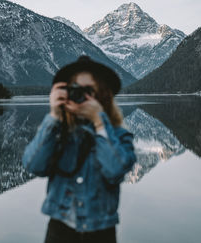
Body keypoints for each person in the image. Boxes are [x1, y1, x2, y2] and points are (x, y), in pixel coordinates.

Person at [22, 56, 136, 243]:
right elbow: (34, 166)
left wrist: (99, 122)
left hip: (101, 231)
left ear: (102, 96)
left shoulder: (119, 135)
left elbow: (115, 170)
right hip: (60, 229)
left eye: (88, 90)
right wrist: (54, 117)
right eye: (75, 89)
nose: (81, 96)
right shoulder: (57, 132)